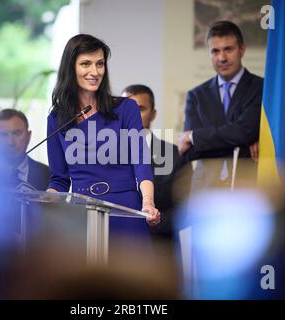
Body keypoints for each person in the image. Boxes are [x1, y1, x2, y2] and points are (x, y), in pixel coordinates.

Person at [46, 34, 160, 229]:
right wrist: (48, 198)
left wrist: (148, 202)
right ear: (70, 67)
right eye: (86, 64)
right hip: (81, 214)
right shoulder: (56, 119)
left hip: (125, 209)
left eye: (100, 64)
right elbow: (60, 179)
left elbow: (140, 163)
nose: (95, 71)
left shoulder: (126, 108)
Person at [178, 21, 263, 190]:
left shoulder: (262, 88)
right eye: (215, 51)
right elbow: (193, 152)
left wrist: (195, 137)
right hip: (205, 189)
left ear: (242, 50)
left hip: (247, 188)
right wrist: (243, 141)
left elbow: (245, 131)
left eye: (228, 49)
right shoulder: (196, 95)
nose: (222, 58)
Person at [122, 84, 192, 240]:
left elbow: (187, 208)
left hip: (160, 249)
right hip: (116, 246)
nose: (132, 115)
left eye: (140, 109)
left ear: (153, 114)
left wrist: (154, 222)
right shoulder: (104, 155)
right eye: (127, 109)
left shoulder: (174, 155)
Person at [0, 108, 50, 191]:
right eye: (3, 135)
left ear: (28, 136)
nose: (10, 142)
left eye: (17, 133)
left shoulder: (48, 175)